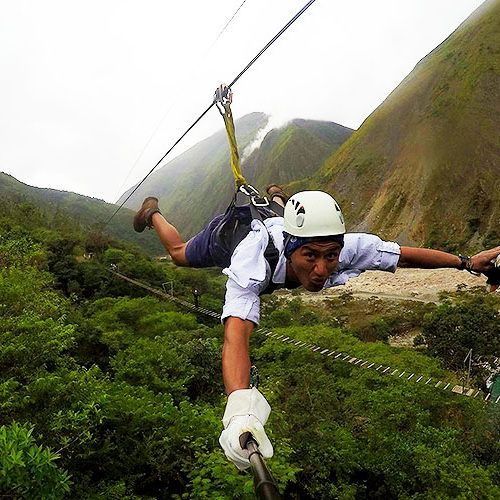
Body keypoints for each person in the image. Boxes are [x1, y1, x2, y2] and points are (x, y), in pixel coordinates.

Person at [133, 187, 500, 470]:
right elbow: (236, 334)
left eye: (330, 256)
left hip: (280, 224)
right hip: (233, 235)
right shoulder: (250, 261)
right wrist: (240, 410)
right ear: (293, 250)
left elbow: (403, 255)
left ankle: (278, 199)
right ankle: (153, 214)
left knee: (281, 217)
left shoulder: (348, 246)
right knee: (180, 254)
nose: (322, 270)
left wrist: (468, 263)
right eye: (311, 256)